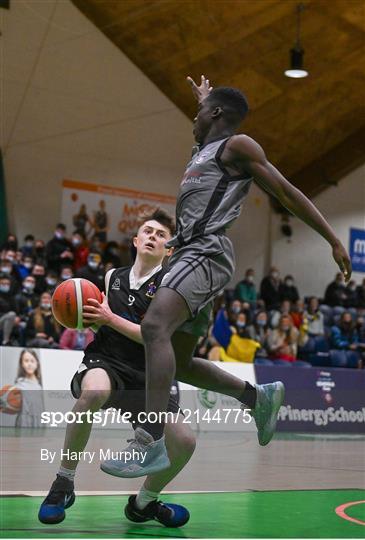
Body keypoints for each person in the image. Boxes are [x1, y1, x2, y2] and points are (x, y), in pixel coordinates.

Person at [107, 75, 351, 477]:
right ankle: (258, 398)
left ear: (217, 114)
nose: (195, 117)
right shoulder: (201, 151)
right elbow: (205, 128)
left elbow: (286, 192)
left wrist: (331, 239)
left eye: (201, 111)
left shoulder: (238, 146)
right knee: (180, 363)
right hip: (189, 256)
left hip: (205, 251)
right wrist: (206, 98)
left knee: (154, 328)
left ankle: (149, 441)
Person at [38, 210, 196, 527]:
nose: (153, 236)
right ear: (135, 240)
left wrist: (109, 319)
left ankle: (144, 504)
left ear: (170, 250)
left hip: (150, 373)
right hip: (109, 360)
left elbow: (156, 338)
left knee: (184, 441)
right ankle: (63, 483)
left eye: (161, 234)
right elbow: (102, 325)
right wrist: (85, 318)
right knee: (91, 393)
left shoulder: (171, 288)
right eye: (147, 231)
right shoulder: (113, 278)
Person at [14, 349, 44, 428]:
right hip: (24, 423)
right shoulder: (18, 385)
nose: (29, 364)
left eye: (32, 361)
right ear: (22, 363)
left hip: (39, 423)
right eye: (26, 361)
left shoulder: (42, 385)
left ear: (37, 362)